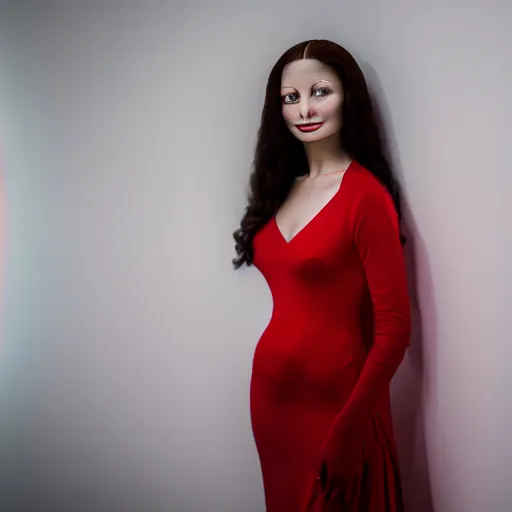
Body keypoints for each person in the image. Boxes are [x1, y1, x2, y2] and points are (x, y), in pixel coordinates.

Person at [232, 39, 412, 512]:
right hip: (271, 399)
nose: (304, 109)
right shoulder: (279, 190)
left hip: (338, 403)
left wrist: (352, 427)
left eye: (320, 91)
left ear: (348, 95)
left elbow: (395, 331)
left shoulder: (365, 196)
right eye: (290, 98)